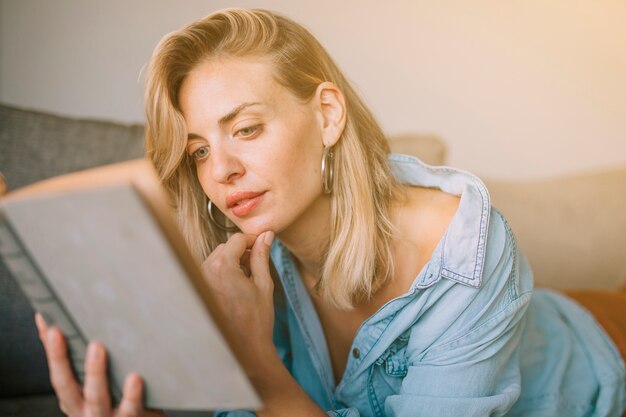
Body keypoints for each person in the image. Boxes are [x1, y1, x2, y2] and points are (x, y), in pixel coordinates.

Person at [34, 7, 626, 417]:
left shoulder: (462, 249)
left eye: (245, 128)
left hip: (599, 353)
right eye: (198, 151)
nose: (221, 171)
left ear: (326, 114)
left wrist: (254, 362)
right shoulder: (248, 270)